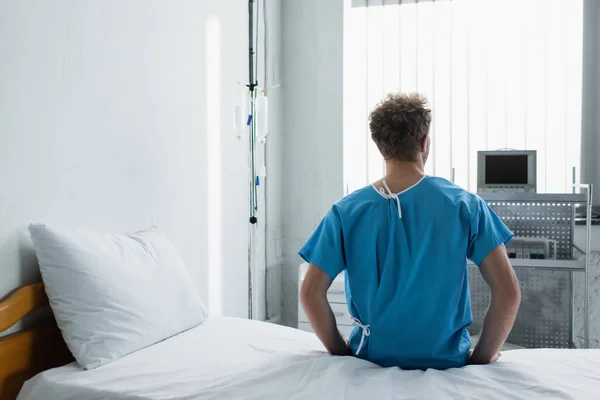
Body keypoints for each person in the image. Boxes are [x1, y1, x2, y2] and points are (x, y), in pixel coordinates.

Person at [299, 93, 521, 370]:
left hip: (371, 358)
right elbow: (508, 292)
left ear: (380, 145)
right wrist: (482, 357)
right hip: (446, 361)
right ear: (424, 142)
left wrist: (340, 350)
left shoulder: (345, 211)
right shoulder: (465, 205)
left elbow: (310, 293)